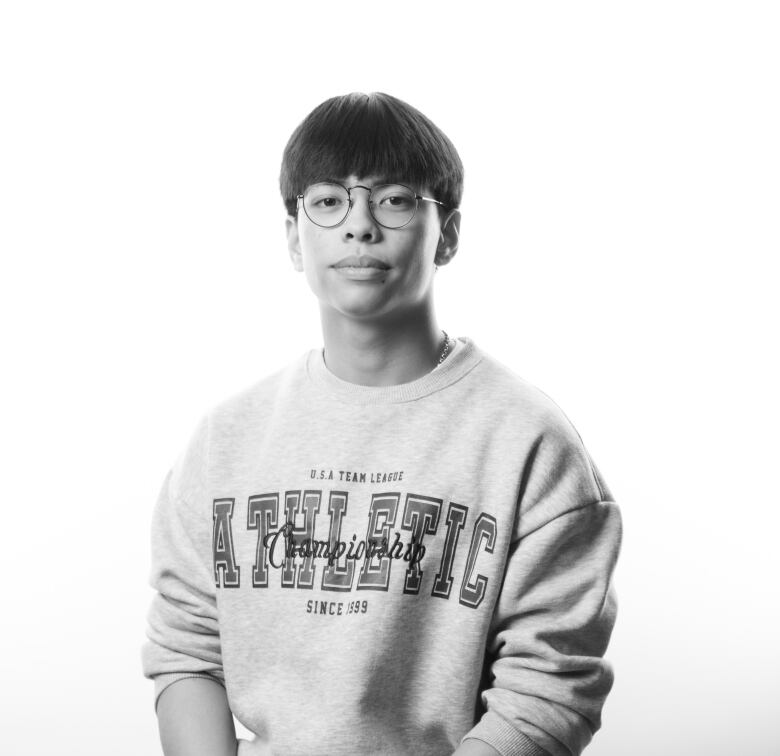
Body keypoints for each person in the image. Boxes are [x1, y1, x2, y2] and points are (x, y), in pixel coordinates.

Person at [141, 91, 622, 756]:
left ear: (448, 233)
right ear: (293, 236)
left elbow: (548, 691)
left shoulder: (529, 442)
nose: (359, 224)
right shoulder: (225, 439)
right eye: (329, 200)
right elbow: (188, 652)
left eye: (394, 198)